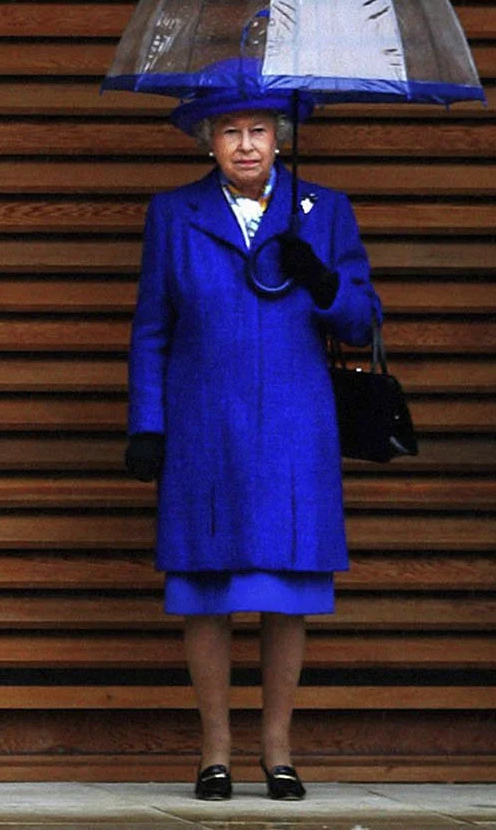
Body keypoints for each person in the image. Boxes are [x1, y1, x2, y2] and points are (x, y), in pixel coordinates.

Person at [127, 97, 378, 800]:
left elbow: (361, 317)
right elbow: (152, 326)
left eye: (258, 131)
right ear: (208, 141)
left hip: (295, 427)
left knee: (285, 587)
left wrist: (323, 279)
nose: (245, 144)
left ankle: (277, 751)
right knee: (205, 587)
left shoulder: (322, 209)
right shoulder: (173, 212)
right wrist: (146, 425)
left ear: (280, 138)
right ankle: (213, 752)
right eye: (230, 132)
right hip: (203, 424)